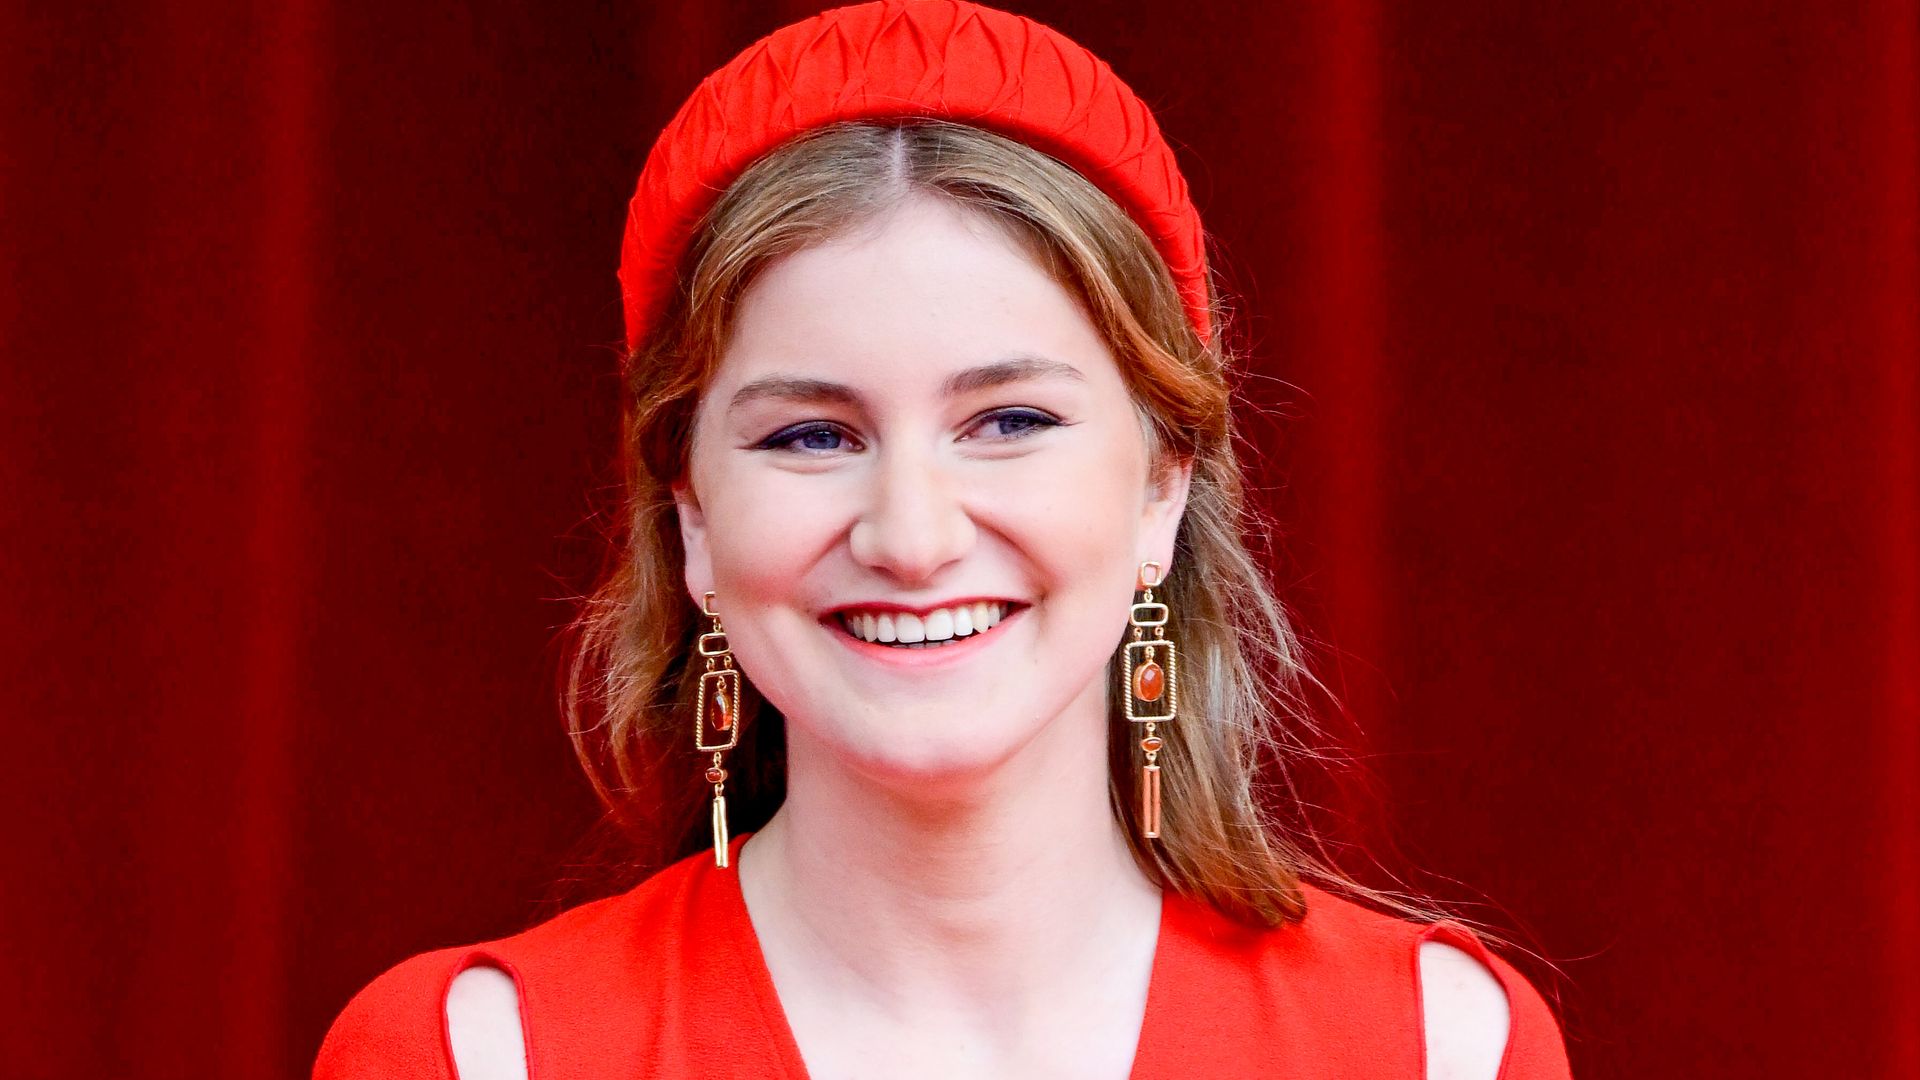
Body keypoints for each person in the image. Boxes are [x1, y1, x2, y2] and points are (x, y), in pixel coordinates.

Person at [315, 2, 1573, 1077]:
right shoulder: (482, 1056)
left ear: (1164, 489)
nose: (911, 537)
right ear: (690, 519)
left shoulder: (1435, 1046)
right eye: (811, 435)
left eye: (1008, 420)